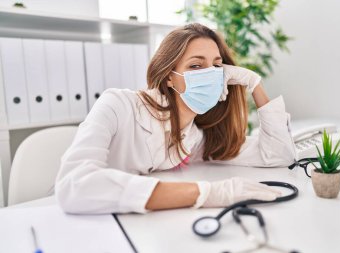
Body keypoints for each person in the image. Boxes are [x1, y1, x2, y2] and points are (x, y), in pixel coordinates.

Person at [55, 23, 296, 214]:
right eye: (195, 66)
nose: (209, 74)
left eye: (216, 66)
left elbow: (278, 154)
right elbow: (74, 186)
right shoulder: (117, 105)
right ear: (169, 77)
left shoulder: (194, 137)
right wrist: (207, 193)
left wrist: (254, 83)